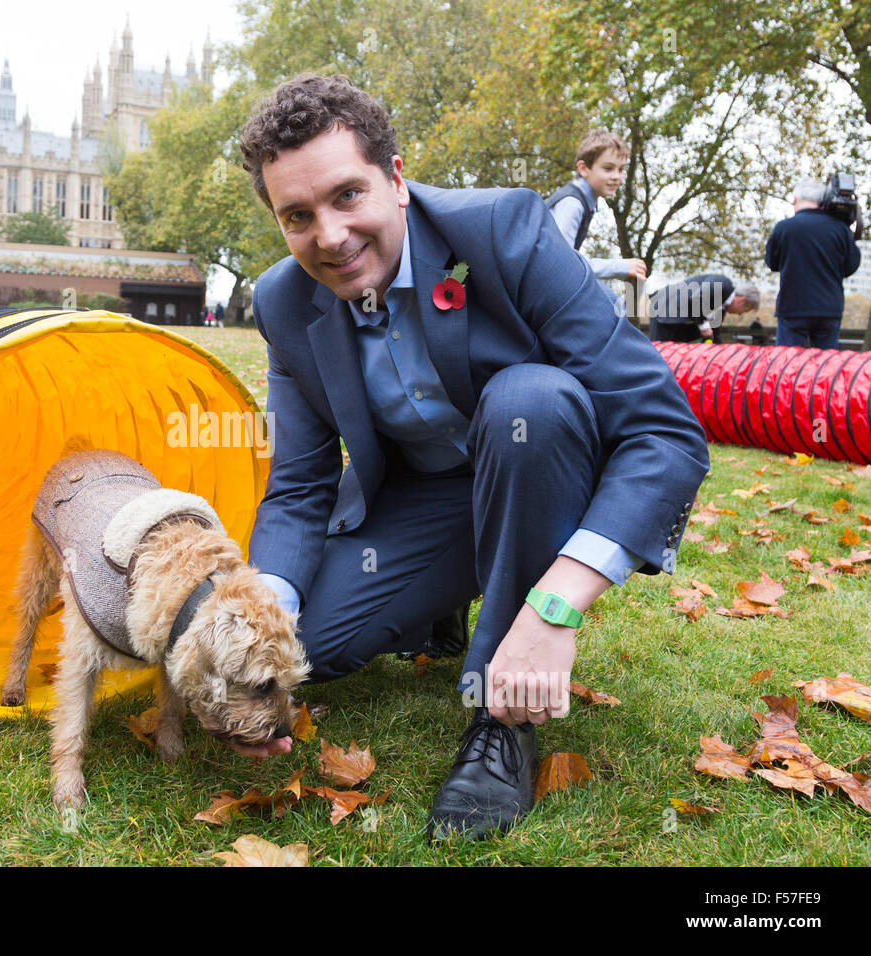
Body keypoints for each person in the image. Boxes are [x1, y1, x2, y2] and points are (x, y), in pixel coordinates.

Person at [236, 74, 709, 840]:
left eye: (347, 196)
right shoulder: (283, 303)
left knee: (532, 405)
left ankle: (502, 716)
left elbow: (666, 432)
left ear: (395, 180)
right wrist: (258, 625)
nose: (327, 235)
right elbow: (298, 485)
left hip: (539, 465)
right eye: (297, 216)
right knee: (308, 649)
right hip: (426, 496)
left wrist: (553, 607)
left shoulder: (506, 229)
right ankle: (444, 602)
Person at [545, 131, 647, 312]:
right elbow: (562, 264)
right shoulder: (572, 204)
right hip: (537, 293)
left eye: (621, 169)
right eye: (608, 168)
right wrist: (620, 266)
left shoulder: (584, 202)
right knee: (609, 306)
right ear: (584, 168)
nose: (617, 176)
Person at [764, 180, 862, 349]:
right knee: (825, 366)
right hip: (829, 308)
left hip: (793, 307)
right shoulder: (840, 229)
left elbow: (772, 263)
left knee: (787, 364)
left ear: (795, 200)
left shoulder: (784, 228)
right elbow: (851, 266)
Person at [646, 274, 759, 343]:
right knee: (659, 354)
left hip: (679, 323)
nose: (740, 314)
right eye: (744, 311)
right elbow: (696, 298)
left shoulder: (722, 308)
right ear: (742, 301)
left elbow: (714, 334)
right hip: (664, 309)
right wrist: (704, 326)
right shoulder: (723, 284)